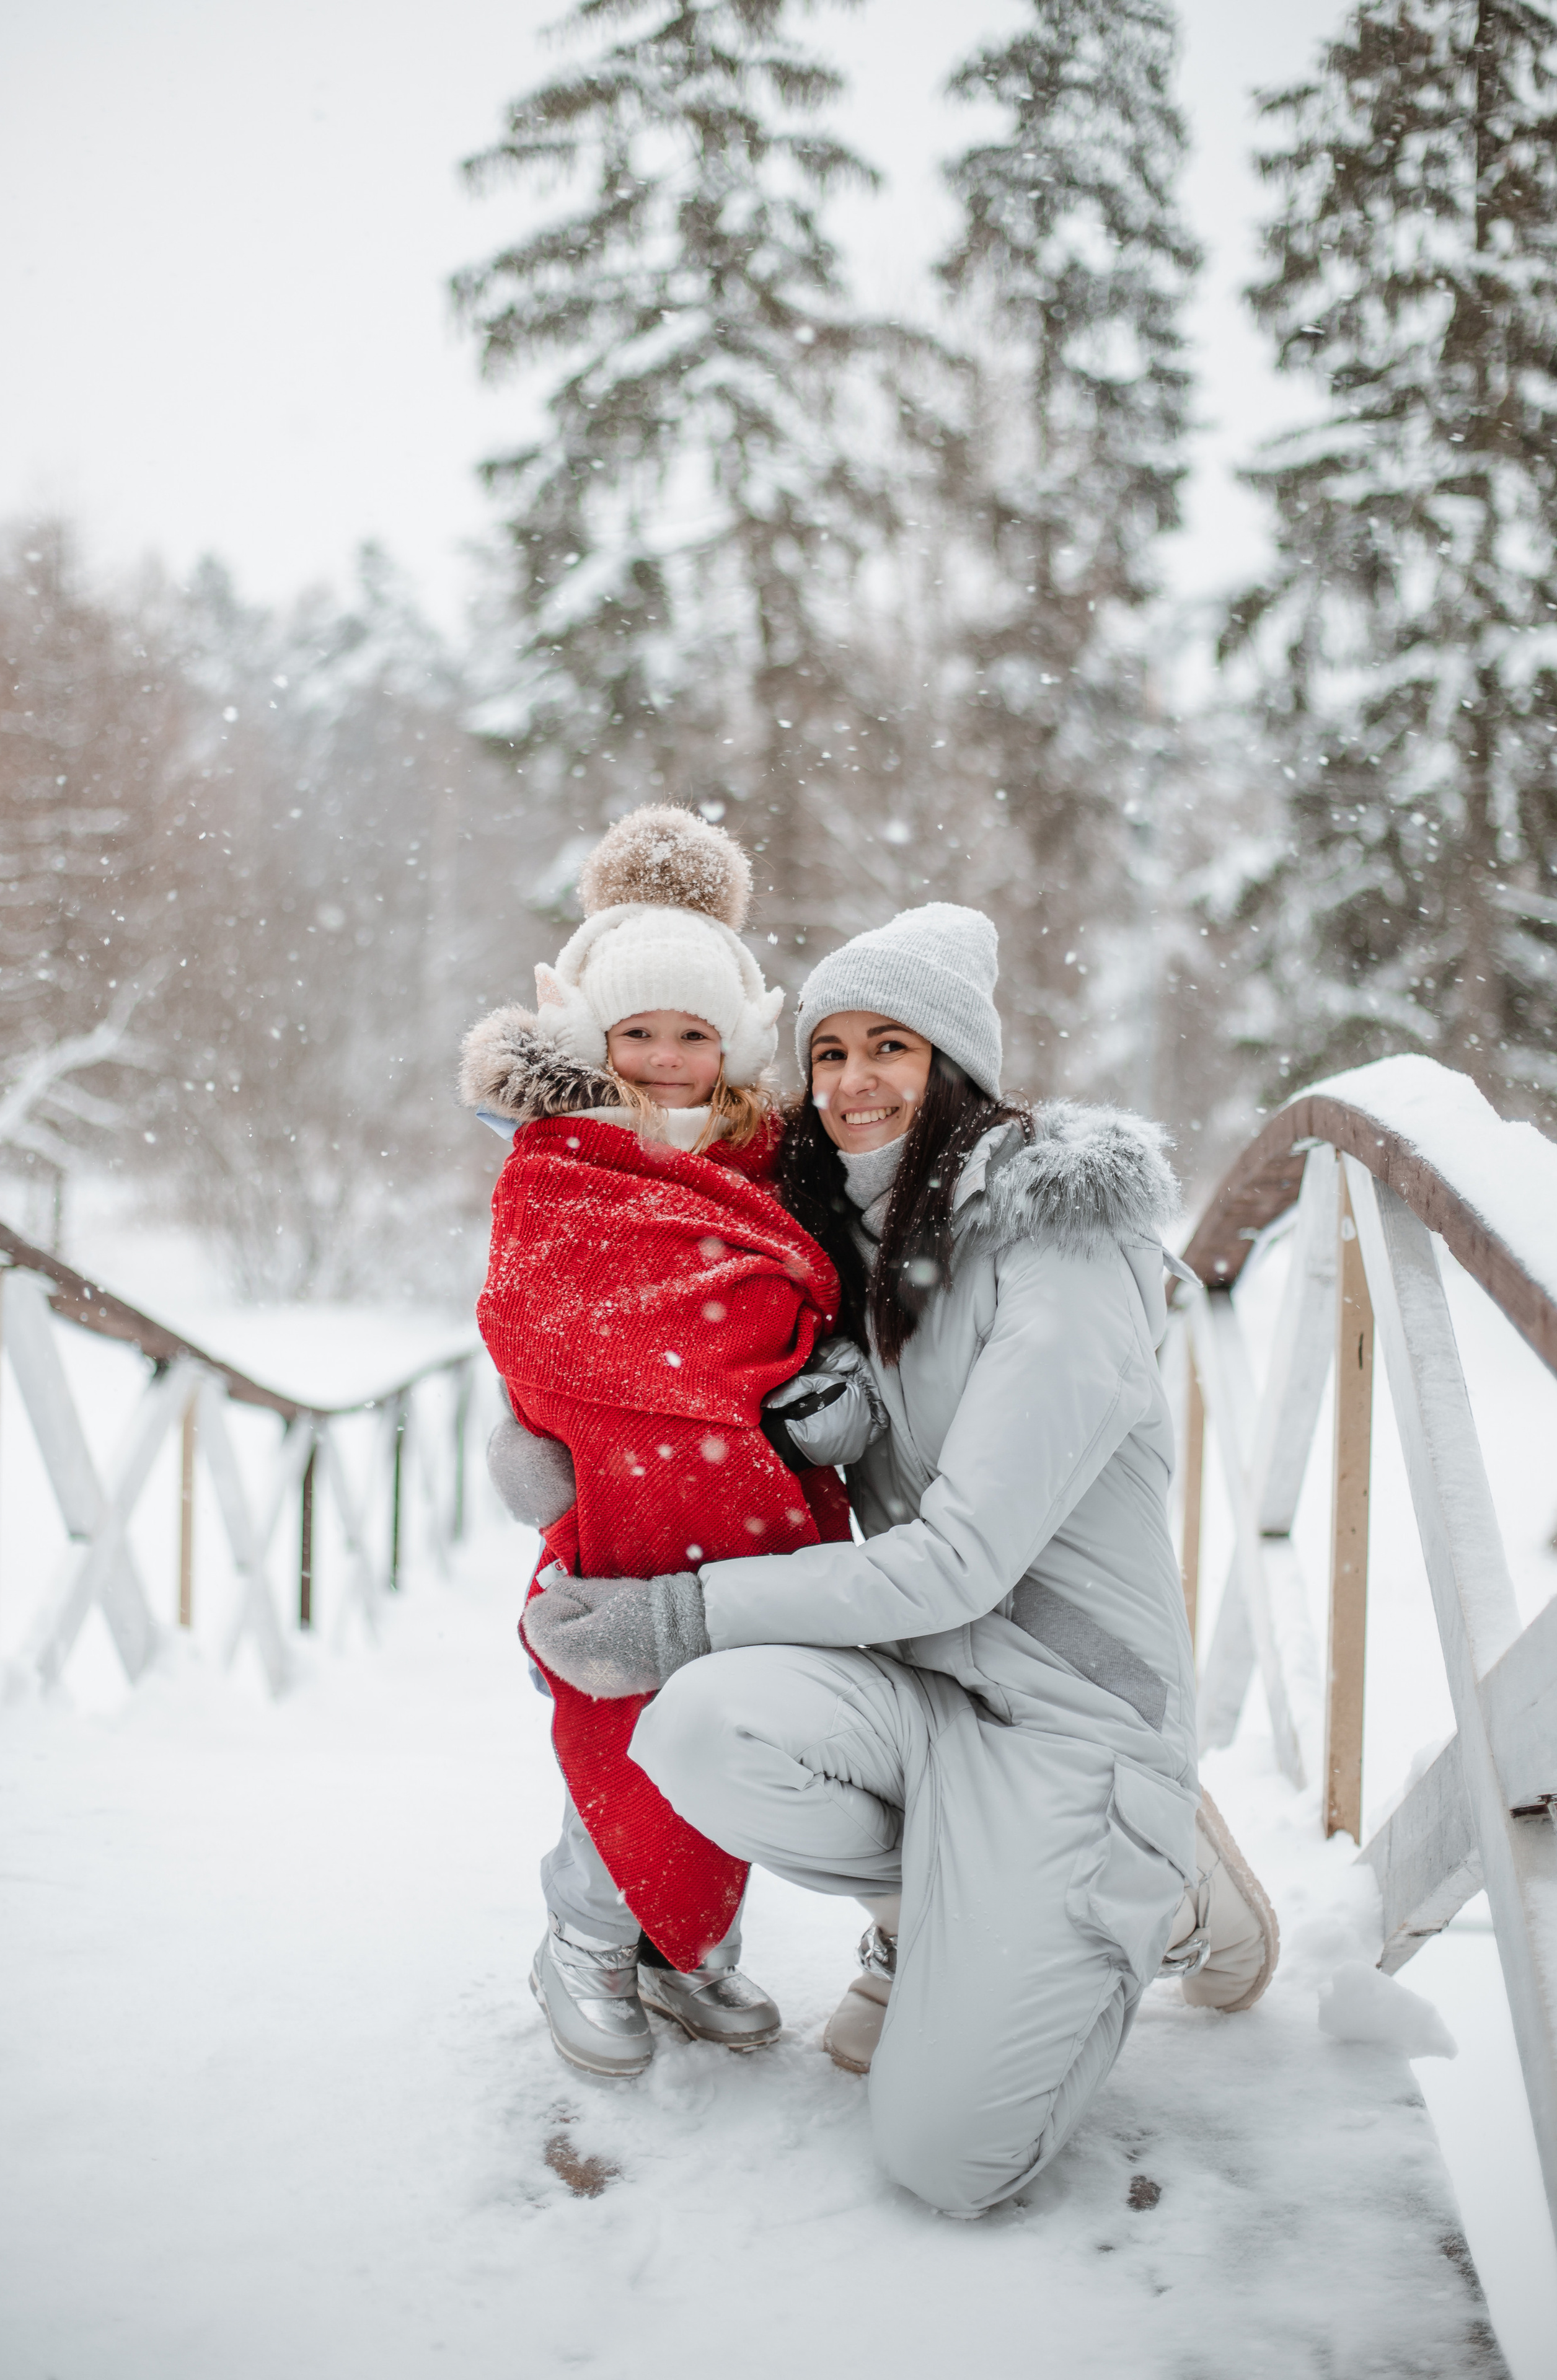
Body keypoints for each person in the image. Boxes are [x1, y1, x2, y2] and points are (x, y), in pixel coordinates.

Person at [523, 902, 1278, 2215]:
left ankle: (1139, 1868)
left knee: (946, 2160)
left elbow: (956, 1564)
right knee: (701, 1729)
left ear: (957, 1068)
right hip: (926, 1697)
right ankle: (966, 1905)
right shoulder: (853, 1240)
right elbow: (634, 1323)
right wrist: (547, 1436)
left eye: (893, 1049)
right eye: (829, 1053)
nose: (854, 1083)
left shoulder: (1060, 1245)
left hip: (1067, 1723)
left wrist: (674, 1614)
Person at [461, 805, 883, 2081]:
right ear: (595, 1037)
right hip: (623, 1493)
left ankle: (678, 1945)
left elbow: (814, 1290)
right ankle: (585, 1939)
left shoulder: (774, 1156)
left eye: (690, 1034)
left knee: (742, 1703)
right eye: (635, 1032)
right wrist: (556, 1412)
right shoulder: (562, 1161)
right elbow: (541, 1310)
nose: (661, 1058)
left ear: (731, 1041)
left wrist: (820, 1375)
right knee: (629, 1704)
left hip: (753, 1485)